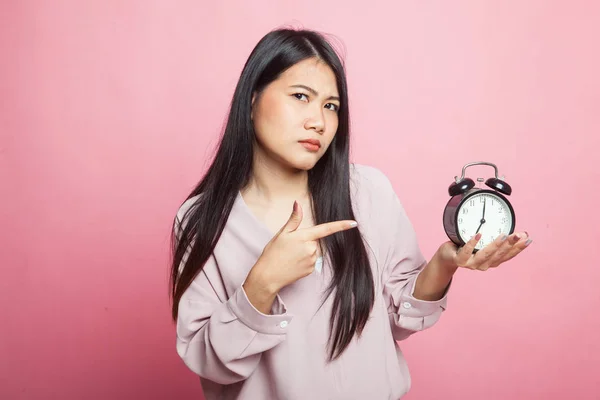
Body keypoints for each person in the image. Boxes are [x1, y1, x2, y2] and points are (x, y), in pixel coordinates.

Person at [169, 28, 532, 400]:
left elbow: (399, 316)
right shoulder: (202, 220)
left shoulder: (368, 192)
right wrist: (262, 282)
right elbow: (208, 361)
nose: (319, 122)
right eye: (300, 97)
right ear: (252, 98)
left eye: (331, 106)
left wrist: (444, 262)